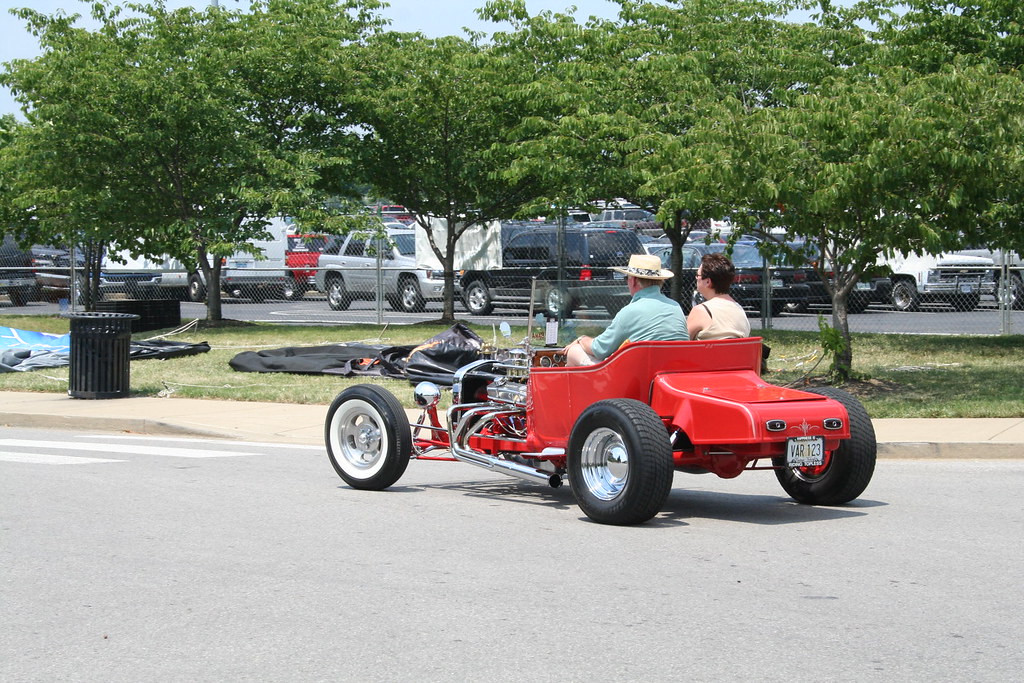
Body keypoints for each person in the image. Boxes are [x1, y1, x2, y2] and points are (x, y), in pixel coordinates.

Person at [564, 253, 688, 366]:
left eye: (627, 278)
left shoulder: (630, 311)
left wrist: (581, 339)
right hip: (672, 373)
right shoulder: (676, 308)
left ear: (633, 281)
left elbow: (599, 349)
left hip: (635, 379)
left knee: (574, 351)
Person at [687, 252, 751, 340]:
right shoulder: (739, 310)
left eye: (698, 275)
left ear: (708, 282)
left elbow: (681, 346)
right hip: (738, 354)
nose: (696, 278)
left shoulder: (701, 311)